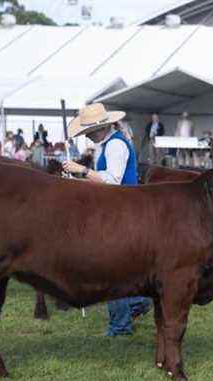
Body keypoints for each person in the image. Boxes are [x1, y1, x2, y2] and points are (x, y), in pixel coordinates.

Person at [63, 103, 151, 337]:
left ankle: (120, 325)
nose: (87, 136)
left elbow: (112, 181)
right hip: (122, 211)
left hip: (123, 214)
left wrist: (81, 170)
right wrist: (77, 181)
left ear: (100, 128)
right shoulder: (111, 143)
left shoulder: (115, 146)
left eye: (88, 132)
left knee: (110, 272)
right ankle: (138, 303)